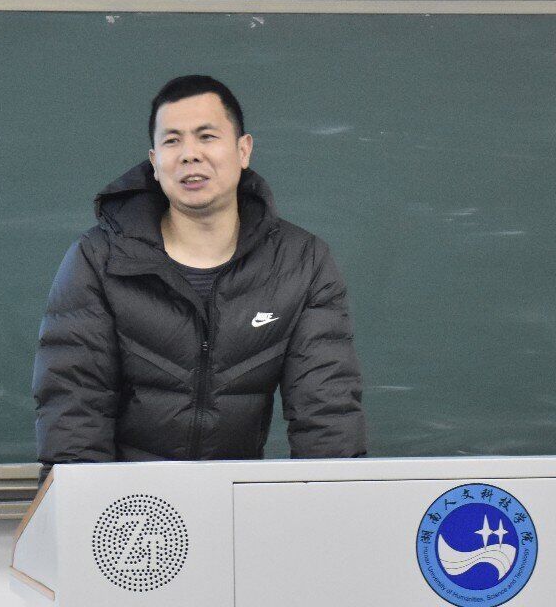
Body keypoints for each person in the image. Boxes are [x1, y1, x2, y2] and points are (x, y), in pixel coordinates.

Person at [32, 75, 366, 483]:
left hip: (236, 500)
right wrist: (91, 510)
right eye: (172, 141)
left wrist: (331, 503)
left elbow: (326, 413)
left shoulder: (301, 262)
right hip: (129, 506)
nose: (190, 155)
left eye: (207, 136)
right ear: (154, 162)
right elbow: (74, 408)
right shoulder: (99, 259)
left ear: (243, 150)